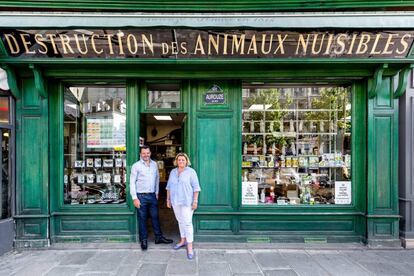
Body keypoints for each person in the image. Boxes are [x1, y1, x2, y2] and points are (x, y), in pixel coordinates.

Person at [130, 145, 173, 250]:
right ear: (140, 154)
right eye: (143, 153)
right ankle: (143, 240)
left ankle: (158, 237)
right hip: (141, 196)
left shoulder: (154, 164)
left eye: (147, 153)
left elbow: (157, 179)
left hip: (152, 195)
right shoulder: (136, 166)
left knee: (155, 217)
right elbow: (131, 182)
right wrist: (134, 198)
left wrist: (157, 192)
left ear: (150, 153)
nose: (146, 155)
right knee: (142, 219)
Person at [166, 153, 201, 260]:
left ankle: (190, 247)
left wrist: (195, 201)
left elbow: (196, 188)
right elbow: (169, 187)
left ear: (186, 161)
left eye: (183, 160)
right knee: (180, 221)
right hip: (175, 201)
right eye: (179, 160)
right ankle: (183, 240)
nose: (181, 162)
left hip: (187, 202)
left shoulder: (191, 172)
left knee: (187, 223)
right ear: (176, 161)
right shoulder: (173, 172)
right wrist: (168, 199)